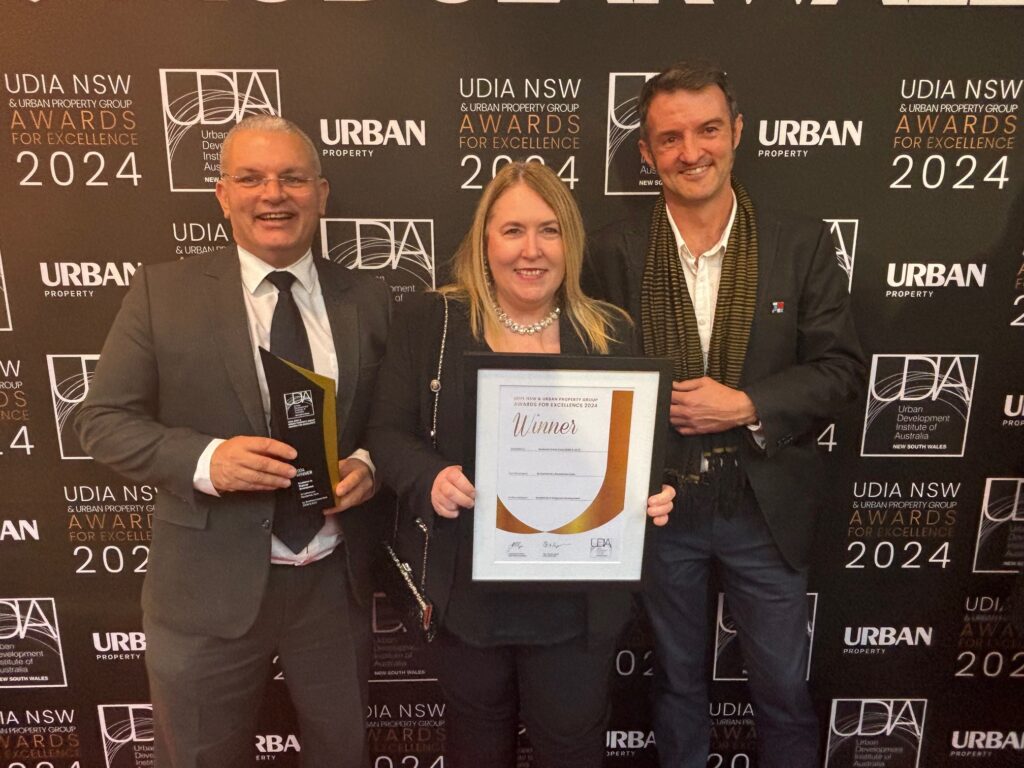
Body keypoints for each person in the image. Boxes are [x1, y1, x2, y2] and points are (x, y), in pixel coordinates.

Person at [75, 115, 390, 768]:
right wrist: (206, 460)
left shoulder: (370, 297)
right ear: (223, 195)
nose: (273, 194)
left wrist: (369, 463)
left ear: (321, 193)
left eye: (292, 178)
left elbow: (396, 420)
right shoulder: (162, 294)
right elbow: (101, 420)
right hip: (204, 592)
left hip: (333, 588)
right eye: (251, 178)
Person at [584, 62, 866, 768]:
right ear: (646, 152)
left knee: (782, 690)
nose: (692, 152)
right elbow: (586, 381)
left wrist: (746, 405)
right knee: (676, 684)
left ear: (737, 132)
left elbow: (841, 370)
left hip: (764, 506)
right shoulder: (611, 251)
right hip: (658, 508)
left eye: (708, 130)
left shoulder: (800, 243)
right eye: (670, 138)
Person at [367, 161, 675, 768]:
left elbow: (635, 449)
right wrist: (430, 477)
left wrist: (650, 493)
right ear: (485, 241)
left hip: (577, 601)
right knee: (476, 749)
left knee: (572, 750)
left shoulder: (610, 331)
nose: (531, 250)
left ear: (571, 242)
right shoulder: (432, 321)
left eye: (549, 230)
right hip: (466, 594)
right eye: (512, 230)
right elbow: (386, 433)